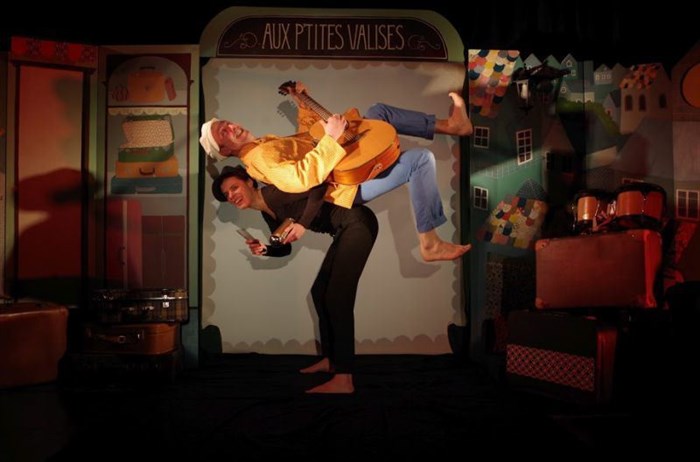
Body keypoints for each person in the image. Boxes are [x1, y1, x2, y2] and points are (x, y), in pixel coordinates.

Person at [200, 81, 473, 262]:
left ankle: (452, 126)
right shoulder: (259, 158)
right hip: (344, 184)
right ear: (224, 150)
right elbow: (302, 178)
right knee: (419, 160)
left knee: (379, 111)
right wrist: (331, 137)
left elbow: (308, 139)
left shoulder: (262, 145)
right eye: (224, 132)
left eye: (227, 123)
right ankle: (430, 243)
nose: (232, 127)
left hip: (341, 158)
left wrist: (301, 101)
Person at [212, 164, 378, 394]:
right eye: (227, 194)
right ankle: (331, 360)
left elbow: (318, 185)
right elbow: (285, 248)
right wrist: (266, 249)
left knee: (337, 298)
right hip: (344, 230)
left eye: (234, 187)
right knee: (320, 293)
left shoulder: (274, 192)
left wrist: (303, 224)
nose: (231, 195)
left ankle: (344, 378)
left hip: (357, 223)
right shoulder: (266, 211)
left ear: (249, 182)